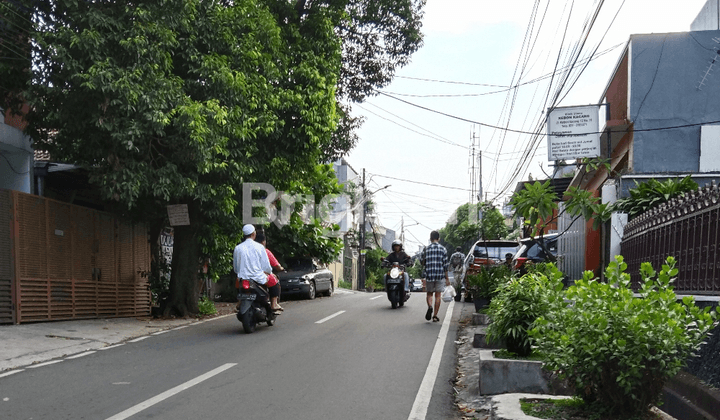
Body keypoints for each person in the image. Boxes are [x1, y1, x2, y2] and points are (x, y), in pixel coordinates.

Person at [232, 224, 275, 312]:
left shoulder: (238, 248)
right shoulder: (260, 247)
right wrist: (269, 272)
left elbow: (236, 268)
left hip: (243, 279)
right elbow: (266, 265)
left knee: (239, 288)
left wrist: (239, 273)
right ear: (253, 234)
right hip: (258, 278)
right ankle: (274, 304)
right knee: (275, 281)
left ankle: (239, 302)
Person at [421, 230, 450, 322]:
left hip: (429, 274)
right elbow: (445, 265)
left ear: (430, 238)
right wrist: (447, 278)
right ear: (439, 239)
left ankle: (430, 306)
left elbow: (422, 261)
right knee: (438, 295)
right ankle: (435, 315)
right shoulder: (443, 249)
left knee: (429, 293)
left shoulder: (426, 248)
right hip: (439, 275)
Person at [254, 231, 284, 312]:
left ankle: (239, 304)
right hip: (262, 275)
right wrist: (281, 268)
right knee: (275, 281)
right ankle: (274, 303)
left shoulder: (247, 250)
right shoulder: (265, 251)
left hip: (247, 275)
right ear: (263, 242)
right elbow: (276, 265)